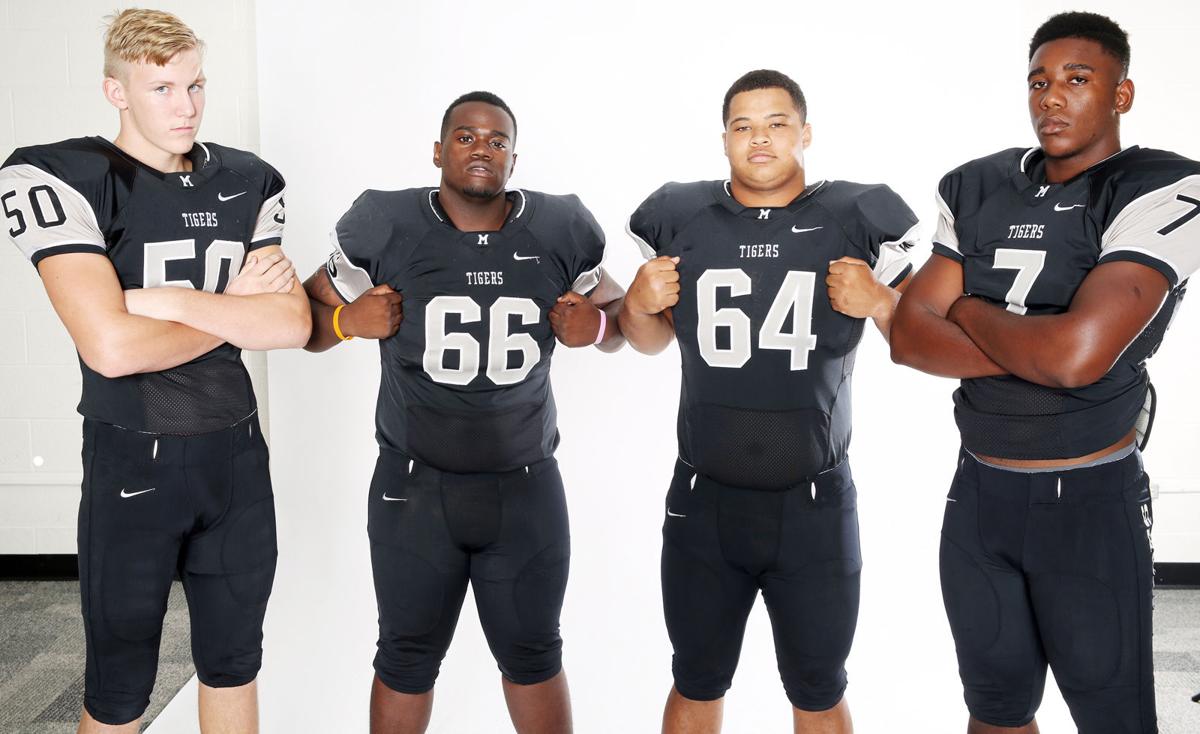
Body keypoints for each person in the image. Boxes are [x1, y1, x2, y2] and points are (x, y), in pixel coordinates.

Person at [0, 8, 310, 733]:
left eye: (196, 85)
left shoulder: (248, 179)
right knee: (120, 688)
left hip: (235, 459)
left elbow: (291, 325)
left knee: (234, 662)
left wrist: (165, 301)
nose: (186, 106)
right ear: (117, 92)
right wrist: (230, 311)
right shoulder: (63, 173)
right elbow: (109, 347)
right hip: (132, 459)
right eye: (162, 88)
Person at [891, 12, 1200, 733]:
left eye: (1077, 79)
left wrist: (962, 305)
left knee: (1112, 717)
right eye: (1038, 81)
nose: (1051, 97)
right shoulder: (976, 186)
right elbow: (908, 336)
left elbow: (1076, 359)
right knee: (995, 710)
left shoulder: (1159, 188)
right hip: (978, 497)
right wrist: (1038, 341)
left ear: (1122, 95)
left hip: (1089, 501)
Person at [302, 91, 624, 734]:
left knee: (534, 655)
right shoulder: (386, 222)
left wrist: (592, 328)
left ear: (513, 156)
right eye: (467, 136)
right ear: (438, 149)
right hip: (414, 488)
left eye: (498, 140)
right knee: (405, 656)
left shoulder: (560, 227)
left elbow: (617, 322)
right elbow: (306, 322)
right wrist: (346, 319)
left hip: (526, 485)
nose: (483, 148)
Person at [619, 69, 919, 733]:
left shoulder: (857, 213)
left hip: (814, 503)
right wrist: (638, 307)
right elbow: (645, 342)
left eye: (777, 123)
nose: (760, 138)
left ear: (805, 132)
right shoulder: (680, 213)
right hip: (704, 500)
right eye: (743, 126)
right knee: (695, 680)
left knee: (818, 689)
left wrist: (883, 302)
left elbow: (922, 338)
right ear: (723, 138)